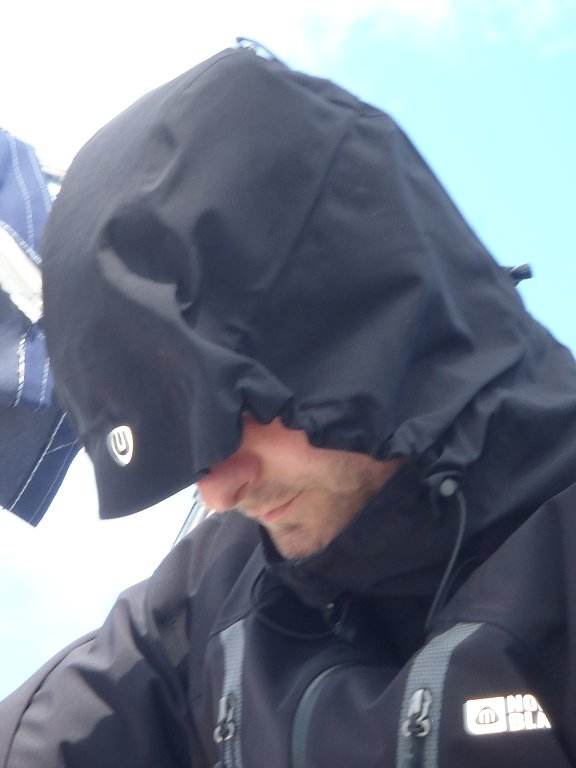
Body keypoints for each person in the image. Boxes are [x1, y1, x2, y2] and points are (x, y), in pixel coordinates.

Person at [1, 40, 576, 768]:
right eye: (178, 446)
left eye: (221, 408)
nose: (217, 490)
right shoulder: (214, 601)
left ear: (349, 314)